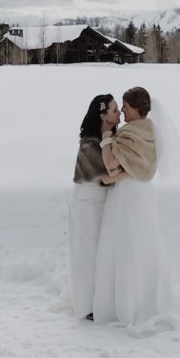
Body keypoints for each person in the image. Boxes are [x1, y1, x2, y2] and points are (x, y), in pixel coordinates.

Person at [92, 86, 172, 329]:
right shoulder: (152, 132)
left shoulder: (128, 133)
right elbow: (142, 168)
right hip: (143, 196)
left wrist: (106, 136)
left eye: (125, 106)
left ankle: (122, 305)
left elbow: (111, 163)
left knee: (122, 246)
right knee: (142, 246)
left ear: (137, 108)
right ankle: (145, 299)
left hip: (126, 198)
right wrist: (117, 176)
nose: (123, 111)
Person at [68, 94, 128, 321]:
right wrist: (135, 171)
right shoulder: (89, 144)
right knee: (87, 254)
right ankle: (87, 305)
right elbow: (105, 177)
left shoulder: (111, 137)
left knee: (102, 252)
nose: (119, 113)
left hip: (102, 202)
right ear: (103, 116)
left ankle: (102, 299)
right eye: (114, 110)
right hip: (87, 202)